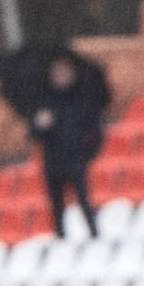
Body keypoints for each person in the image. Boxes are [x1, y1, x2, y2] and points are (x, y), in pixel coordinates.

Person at [28, 52, 109, 238]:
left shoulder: (81, 100)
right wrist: (39, 125)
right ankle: (61, 239)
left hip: (75, 160)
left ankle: (95, 235)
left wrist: (87, 155)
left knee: (83, 201)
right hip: (52, 162)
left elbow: (97, 131)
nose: (60, 78)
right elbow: (33, 132)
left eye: (64, 73)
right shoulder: (45, 100)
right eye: (57, 74)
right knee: (56, 205)